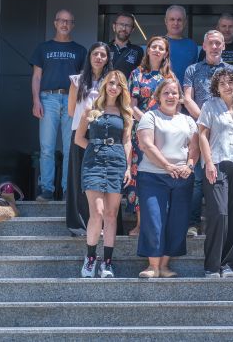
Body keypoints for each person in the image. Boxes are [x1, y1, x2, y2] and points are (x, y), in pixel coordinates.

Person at [136, 79, 199, 278]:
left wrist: (189, 166)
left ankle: (164, 266)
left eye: (174, 93)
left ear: (180, 97)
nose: (170, 97)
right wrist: (167, 165)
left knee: (177, 222)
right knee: (154, 220)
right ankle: (152, 266)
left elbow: (194, 148)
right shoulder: (150, 117)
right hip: (153, 176)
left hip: (181, 177)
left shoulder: (188, 120)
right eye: (166, 93)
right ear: (158, 96)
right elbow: (147, 145)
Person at [74, 70, 133, 278]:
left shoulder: (125, 113)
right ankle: (90, 258)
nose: (113, 87)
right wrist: (94, 148)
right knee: (97, 212)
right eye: (110, 83)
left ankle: (107, 263)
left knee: (110, 214)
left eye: (118, 84)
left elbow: (127, 141)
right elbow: (79, 138)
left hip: (117, 161)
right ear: (104, 85)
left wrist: (127, 167)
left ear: (122, 88)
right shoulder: (91, 108)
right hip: (94, 163)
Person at [30, 9, 87, 201]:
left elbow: (82, 80)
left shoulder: (80, 50)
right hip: (48, 99)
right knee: (46, 147)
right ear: (55, 23)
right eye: (61, 21)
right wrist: (36, 100)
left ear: (73, 25)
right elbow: (37, 77)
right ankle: (46, 189)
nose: (65, 24)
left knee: (70, 148)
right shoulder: (43, 48)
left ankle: (66, 190)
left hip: (71, 100)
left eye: (69, 21)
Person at [183, 30, 233, 237]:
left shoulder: (231, 69)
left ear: (224, 46)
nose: (214, 47)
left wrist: (218, 121)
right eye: (210, 43)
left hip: (225, 128)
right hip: (199, 127)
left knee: (223, 175)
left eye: (218, 44)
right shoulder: (192, 69)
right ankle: (193, 223)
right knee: (196, 178)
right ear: (203, 46)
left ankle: (225, 221)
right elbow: (187, 98)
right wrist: (206, 120)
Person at [197, 66, 233, 278]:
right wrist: (208, 162)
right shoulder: (210, 105)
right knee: (219, 213)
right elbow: (202, 135)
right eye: (222, 83)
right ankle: (212, 266)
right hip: (217, 163)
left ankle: (229, 265)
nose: (227, 86)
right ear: (217, 87)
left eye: (231, 82)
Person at [126, 36, 175, 236]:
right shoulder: (137, 74)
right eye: (153, 47)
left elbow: (174, 104)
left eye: (160, 48)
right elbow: (131, 105)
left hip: (164, 132)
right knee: (139, 177)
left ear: (165, 53)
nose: (156, 50)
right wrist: (148, 122)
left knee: (160, 175)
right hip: (141, 132)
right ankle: (139, 224)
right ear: (147, 50)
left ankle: (157, 223)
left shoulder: (170, 77)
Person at [66, 42, 112, 236]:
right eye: (96, 54)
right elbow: (71, 111)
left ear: (108, 59)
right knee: (81, 180)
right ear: (90, 57)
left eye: (103, 55)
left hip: (103, 135)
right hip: (81, 134)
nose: (99, 58)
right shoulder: (77, 81)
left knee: (102, 180)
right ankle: (81, 224)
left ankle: (103, 223)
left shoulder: (111, 81)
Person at [164, 5, 197, 90]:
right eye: (172, 19)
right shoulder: (158, 44)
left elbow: (195, 74)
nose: (176, 23)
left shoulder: (191, 45)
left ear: (185, 22)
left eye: (179, 20)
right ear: (166, 21)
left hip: (185, 97)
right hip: (162, 96)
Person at [108, 12, 144, 76]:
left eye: (128, 25)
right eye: (121, 24)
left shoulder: (138, 51)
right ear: (114, 26)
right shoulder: (104, 48)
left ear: (132, 29)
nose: (124, 28)